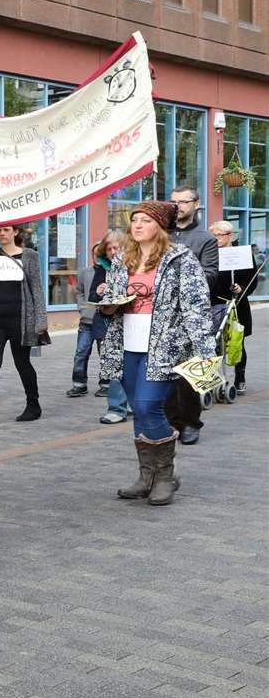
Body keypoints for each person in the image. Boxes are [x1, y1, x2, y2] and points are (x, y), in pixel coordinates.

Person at [97, 201, 213, 505]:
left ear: (160, 226)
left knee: (149, 406)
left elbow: (197, 306)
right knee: (138, 410)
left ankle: (165, 476)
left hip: (163, 345)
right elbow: (115, 302)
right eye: (134, 220)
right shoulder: (123, 258)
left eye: (145, 220)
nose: (137, 225)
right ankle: (145, 476)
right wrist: (107, 302)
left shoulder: (180, 259)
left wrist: (205, 349)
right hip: (127, 344)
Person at [0, 224, 48, 426]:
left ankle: (33, 405)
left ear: (15, 232)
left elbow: (37, 289)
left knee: (22, 363)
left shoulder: (29, 255)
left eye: (6, 230)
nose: (2, 234)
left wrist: (41, 321)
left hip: (21, 320)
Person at [165, 185, 218, 444]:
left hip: (191, 317)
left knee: (188, 374)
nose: (178, 207)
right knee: (163, 373)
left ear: (196, 204)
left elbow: (210, 275)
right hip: (162, 316)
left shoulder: (205, 238)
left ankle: (191, 422)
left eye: (183, 202)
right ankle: (170, 421)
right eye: (173, 202)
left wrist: (177, 280)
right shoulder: (163, 234)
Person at [70, 231, 132, 424]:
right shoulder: (101, 270)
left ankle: (132, 404)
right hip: (110, 323)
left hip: (136, 322)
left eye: (117, 248)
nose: (113, 252)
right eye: (110, 249)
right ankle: (116, 408)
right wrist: (100, 293)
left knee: (134, 365)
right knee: (114, 365)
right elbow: (93, 299)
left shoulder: (136, 267)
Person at [209, 220, 258, 390]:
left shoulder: (242, 253)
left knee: (237, 342)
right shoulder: (211, 253)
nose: (216, 238)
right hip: (215, 304)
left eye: (219, 235)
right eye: (213, 235)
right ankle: (215, 379)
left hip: (237, 305)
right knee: (213, 343)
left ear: (229, 235)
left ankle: (240, 378)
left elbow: (252, 278)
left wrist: (241, 287)